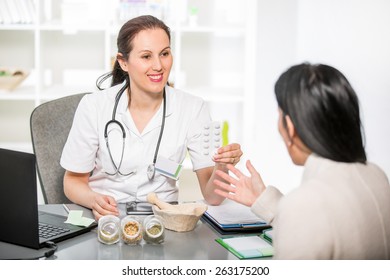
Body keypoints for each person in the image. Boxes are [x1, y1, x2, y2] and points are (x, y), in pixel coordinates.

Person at [60, 15, 242, 220]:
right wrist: (93, 199)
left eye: (164, 53)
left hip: (163, 218)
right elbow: (72, 181)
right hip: (105, 217)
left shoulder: (192, 108)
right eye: (146, 56)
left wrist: (223, 165)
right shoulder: (94, 106)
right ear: (123, 62)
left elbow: (213, 198)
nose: (158, 65)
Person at [213, 63, 390, 259]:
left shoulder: (304, 204)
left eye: (280, 116)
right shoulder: (377, 175)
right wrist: (262, 199)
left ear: (290, 126)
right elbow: (328, 227)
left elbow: (309, 216)